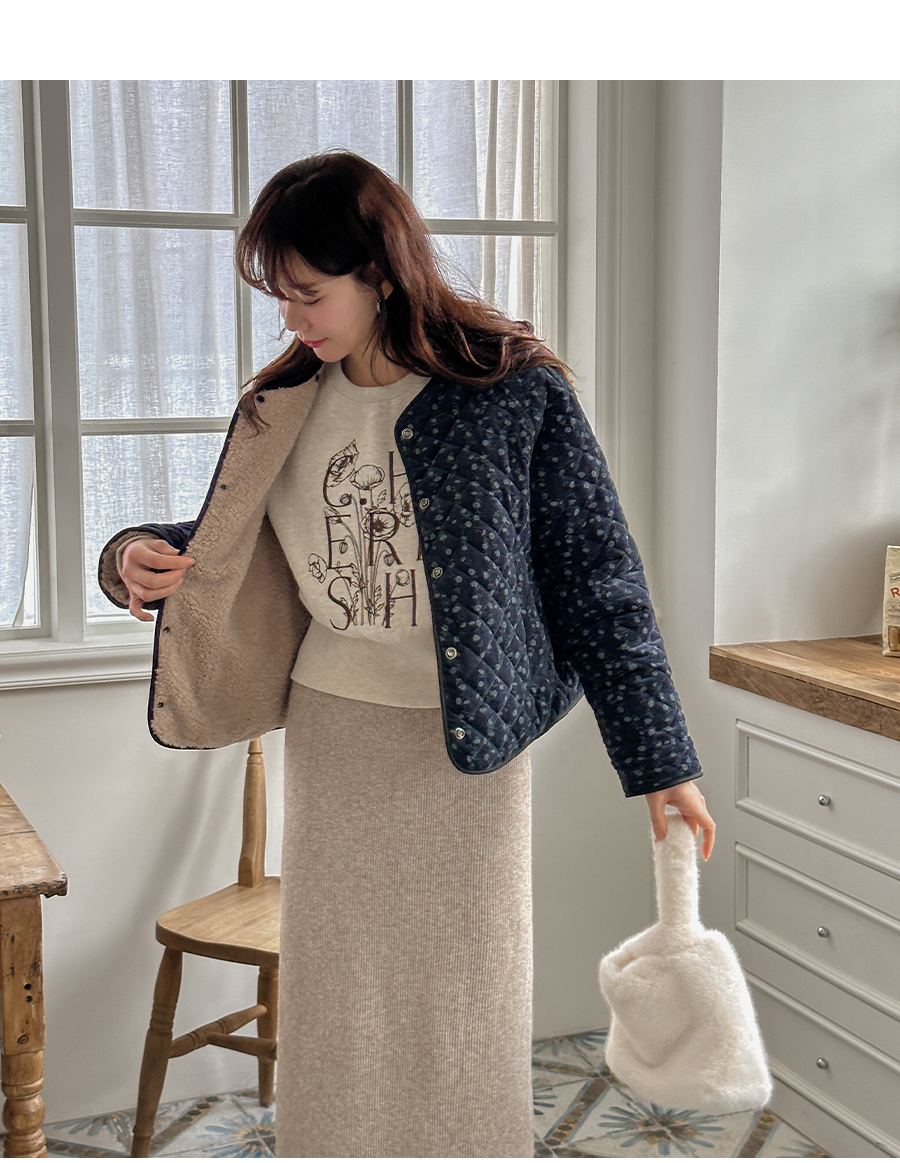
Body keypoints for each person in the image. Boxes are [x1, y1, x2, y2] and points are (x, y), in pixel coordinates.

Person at [97, 150, 716, 1159]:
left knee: (466, 997)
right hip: (335, 731)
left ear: (381, 272)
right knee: (341, 999)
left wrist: (661, 761)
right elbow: (226, 534)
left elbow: (597, 577)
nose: (292, 317)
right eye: (278, 294)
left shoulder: (511, 390)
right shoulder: (285, 398)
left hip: (464, 749)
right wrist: (128, 552)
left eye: (310, 292)